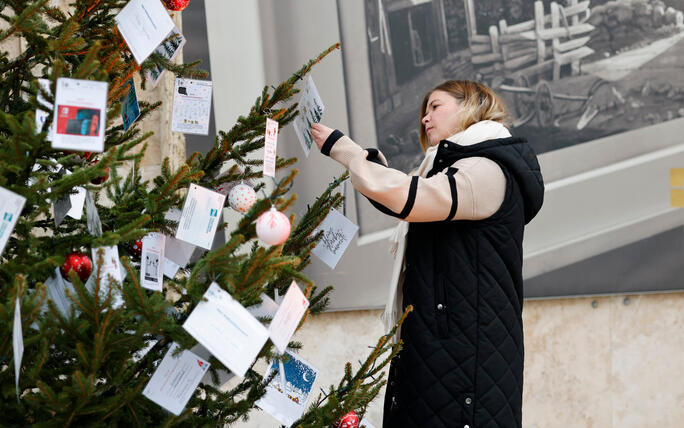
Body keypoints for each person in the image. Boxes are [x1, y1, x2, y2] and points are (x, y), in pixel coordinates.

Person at [311, 80, 544, 428]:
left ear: (472, 105)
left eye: (435, 106)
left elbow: (411, 197)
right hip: (447, 347)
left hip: (467, 354)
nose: (424, 118)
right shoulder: (455, 168)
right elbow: (407, 192)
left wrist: (344, 150)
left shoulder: (486, 169)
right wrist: (363, 159)